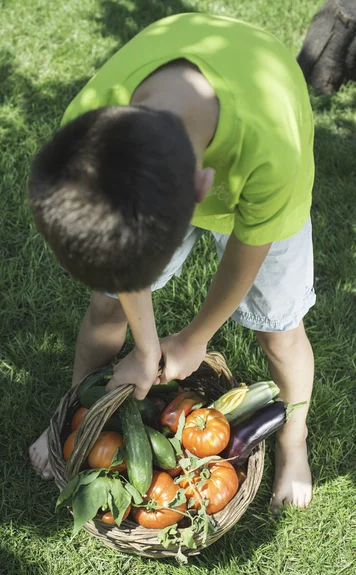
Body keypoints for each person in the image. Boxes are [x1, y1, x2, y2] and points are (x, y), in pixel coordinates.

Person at [28, 13, 315, 512]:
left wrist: (195, 337)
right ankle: (78, 411)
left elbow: (249, 251)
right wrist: (144, 347)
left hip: (264, 139)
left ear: (203, 193)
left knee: (280, 331)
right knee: (106, 308)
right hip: (191, 141)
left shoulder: (272, 152)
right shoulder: (92, 123)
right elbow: (123, 263)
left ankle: (294, 439)